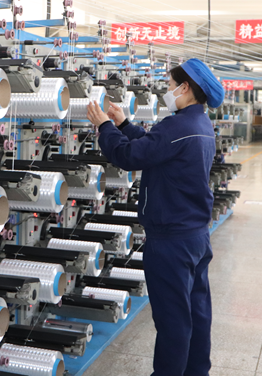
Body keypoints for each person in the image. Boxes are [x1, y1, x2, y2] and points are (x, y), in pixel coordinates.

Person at [86, 58, 225, 376]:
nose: (167, 90)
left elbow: (129, 156)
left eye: (170, 85)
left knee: (172, 319)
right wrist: (123, 124)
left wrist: (104, 127)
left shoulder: (178, 126)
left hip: (171, 242)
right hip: (195, 236)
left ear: (185, 88)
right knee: (196, 313)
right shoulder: (200, 125)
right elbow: (156, 146)